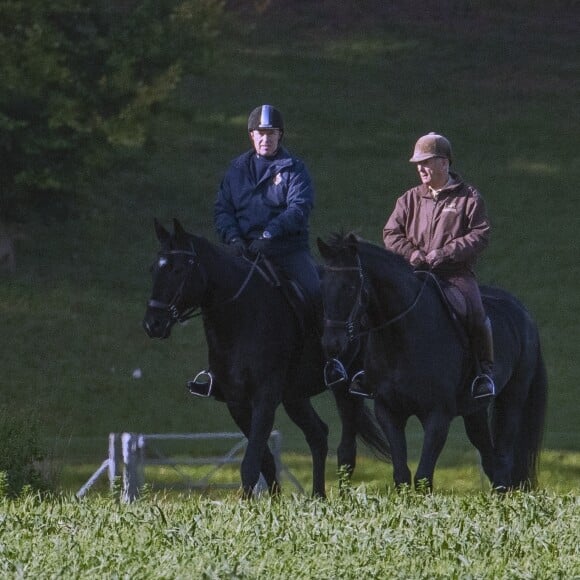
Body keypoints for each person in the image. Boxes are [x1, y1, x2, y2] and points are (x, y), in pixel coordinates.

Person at [350, 132, 495, 399]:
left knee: (475, 310)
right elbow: (391, 233)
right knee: (375, 307)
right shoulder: (409, 199)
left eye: (426, 162)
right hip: (413, 273)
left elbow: (480, 234)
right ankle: (366, 371)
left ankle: (483, 374)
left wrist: (446, 252)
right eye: (418, 163)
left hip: (454, 274)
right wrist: (412, 254)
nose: (420, 168)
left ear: (444, 162)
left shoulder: (468, 197)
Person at [188, 104, 320, 395]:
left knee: (315, 290)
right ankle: (215, 371)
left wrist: (271, 233)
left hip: (286, 250)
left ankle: (328, 362)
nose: (266, 139)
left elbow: (299, 207)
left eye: (271, 133)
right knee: (214, 298)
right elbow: (223, 208)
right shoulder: (236, 170)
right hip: (244, 251)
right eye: (260, 133)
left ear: (280, 136)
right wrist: (233, 239)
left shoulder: (294, 169)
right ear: (251, 136)